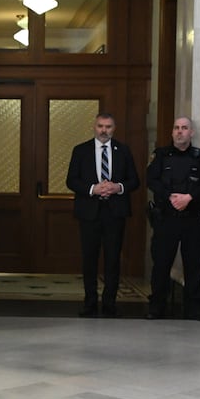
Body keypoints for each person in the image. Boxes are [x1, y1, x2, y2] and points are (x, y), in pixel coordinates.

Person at [65, 112, 140, 317]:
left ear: (114, 129)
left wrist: (118, 187)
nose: (104, 130)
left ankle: (109, 304)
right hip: (89, 212)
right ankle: (89, 303)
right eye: (100, 126)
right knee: (89, 259)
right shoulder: (81, 150)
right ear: (94, 127)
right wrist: (93, 189)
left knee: (113, 259)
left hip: (115, 213)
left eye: (108, 127)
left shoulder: (123, 150)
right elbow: (72, 180)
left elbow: (134, 180)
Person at [146, 116, 200, 320]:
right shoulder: (160, 155)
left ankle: (195, 308)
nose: (179, 131)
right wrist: (170, 197)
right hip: (166, 218)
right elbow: (152, 180)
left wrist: (189, 197)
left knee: (194, 264)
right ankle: (157, 306)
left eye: (184, 128)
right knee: (161, 264)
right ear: (172, 132)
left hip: (192, 219)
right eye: (176, 128)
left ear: (191, 132)